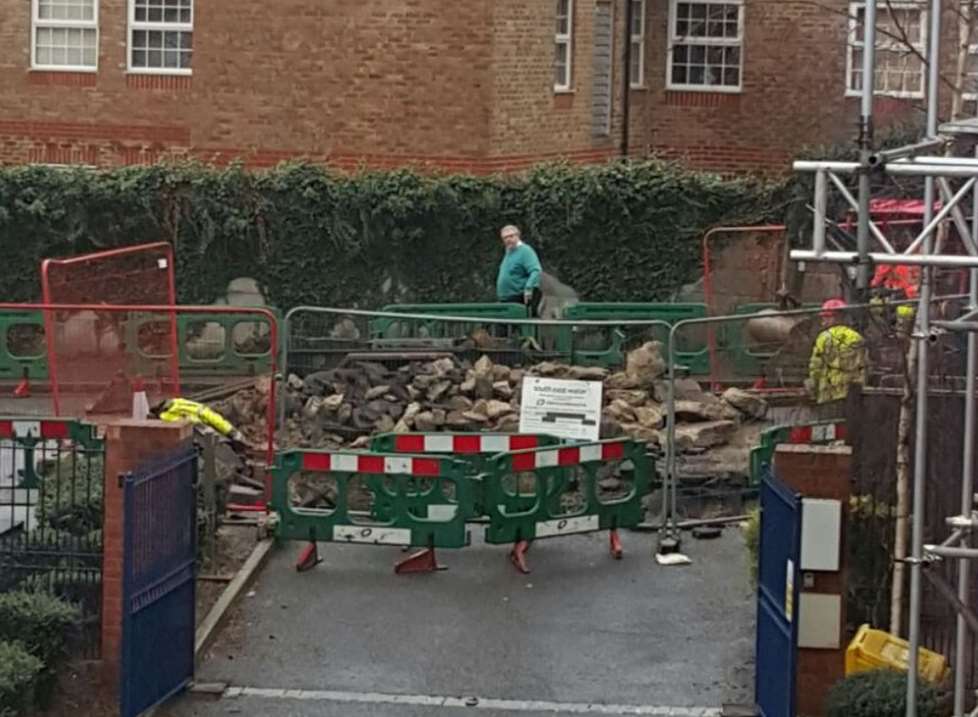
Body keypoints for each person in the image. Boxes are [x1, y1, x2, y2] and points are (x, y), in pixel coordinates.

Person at [807, 299, 867, 406]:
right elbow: (864, 366)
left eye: (826, 317)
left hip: (829, 392)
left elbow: (815, 367)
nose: (823, 321)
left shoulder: (823, 338)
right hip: (852, 393)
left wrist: (813, 387)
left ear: (835, 317)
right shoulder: (856, 337)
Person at [151, 397, 249, 453]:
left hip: (200, 435)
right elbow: (210, 416)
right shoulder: (178, 404)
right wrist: (232, 432)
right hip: (200, 436)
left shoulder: (174, 408)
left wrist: (232, 432)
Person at [496, 225, 543, 317]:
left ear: (518, 236)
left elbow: (536, 271)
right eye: (505, 237)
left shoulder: (525, 251)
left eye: (511, 236)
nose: (508, 239)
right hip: (507, 298)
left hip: (520, 297)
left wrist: (528, 288)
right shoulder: (509, 252)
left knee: (523, 327)